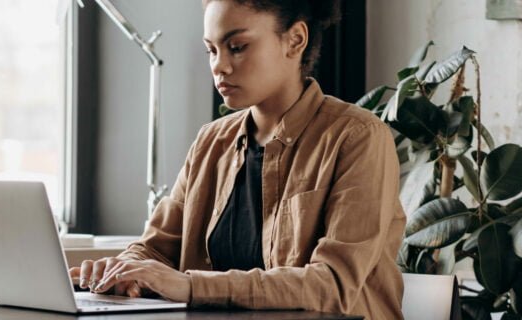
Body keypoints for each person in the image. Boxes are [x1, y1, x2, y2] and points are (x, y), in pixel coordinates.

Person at [69, 0, 406, 318]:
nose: (219, 66)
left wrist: (190, 285)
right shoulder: (211, 142)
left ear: (295, 40)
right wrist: (120, 269)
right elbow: (156, 248)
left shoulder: (357, 137)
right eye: (211, 50)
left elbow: (333, 284)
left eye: (237, 46)